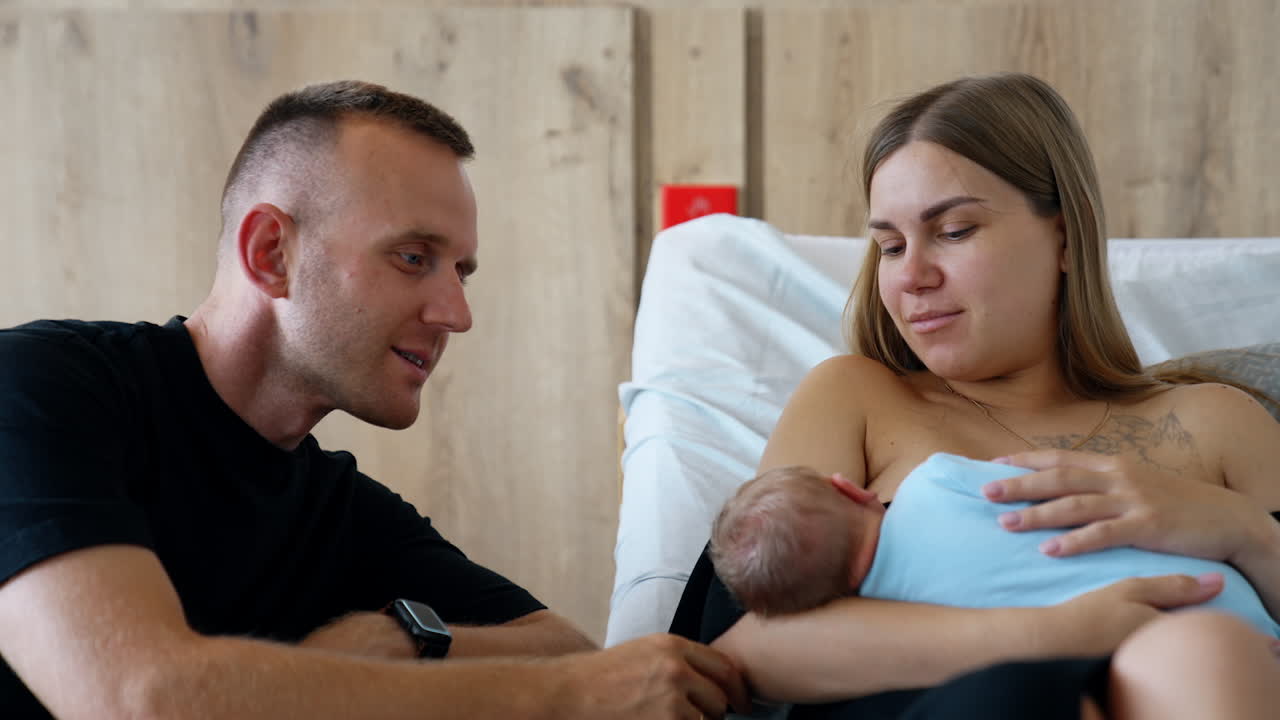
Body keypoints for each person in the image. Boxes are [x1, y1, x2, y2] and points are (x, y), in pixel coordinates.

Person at [0, 80, 747, 720]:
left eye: (461, 270)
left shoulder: (341, 506)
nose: (457, 313)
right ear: (271, 254)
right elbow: (134, 699)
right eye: (413, 258)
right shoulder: (40, 387)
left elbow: (560, 647)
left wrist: (401, 638)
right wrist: (551, 699)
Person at [672, 72, 1280, 720]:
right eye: (890, 245)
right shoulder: (858, 397)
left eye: (955, 231)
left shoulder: (1216, 421)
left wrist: (1249, 535)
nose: (912, 276)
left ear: (1066, 237)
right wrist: (1056, 635)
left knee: (1201, 652)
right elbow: (745, 651)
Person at [710, 456, 1278, 638]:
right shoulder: (930, 480)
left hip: (1164, 645)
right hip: (1232, 602)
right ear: (849, 488)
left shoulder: (896, 622)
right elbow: (1021, 472)